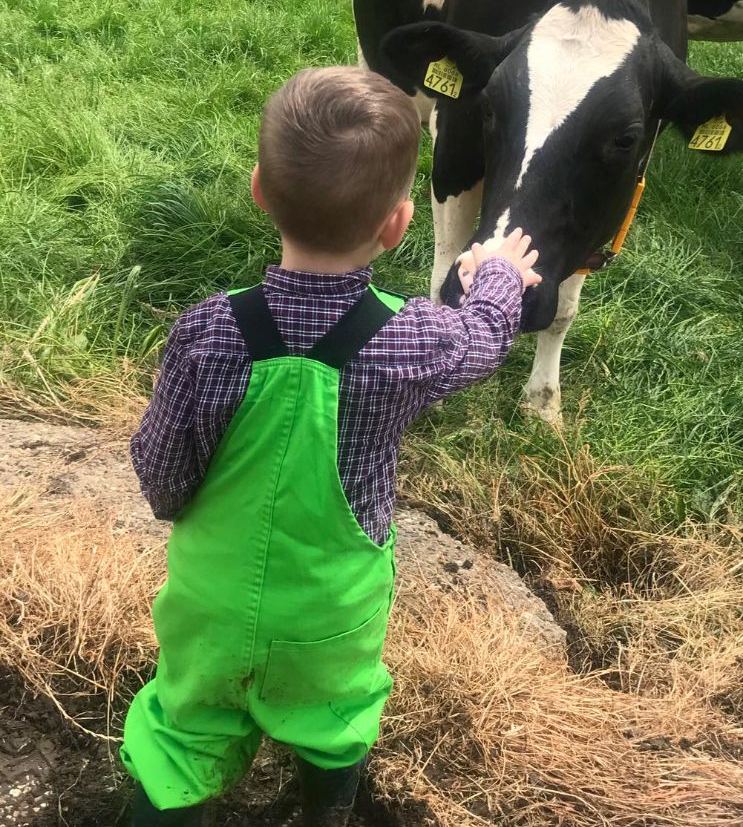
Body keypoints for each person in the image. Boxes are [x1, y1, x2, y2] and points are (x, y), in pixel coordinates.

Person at [120, 68, 541, 826]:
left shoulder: (207, 332)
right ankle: (326, 815)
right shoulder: (414, 340)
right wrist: (498, 278)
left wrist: (187, 505)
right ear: (399, 223)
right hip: (332, 610)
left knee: (181, 730)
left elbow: (160, 475)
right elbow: (482, 341)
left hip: (209, 602)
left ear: (258, 188)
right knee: (337, 712)